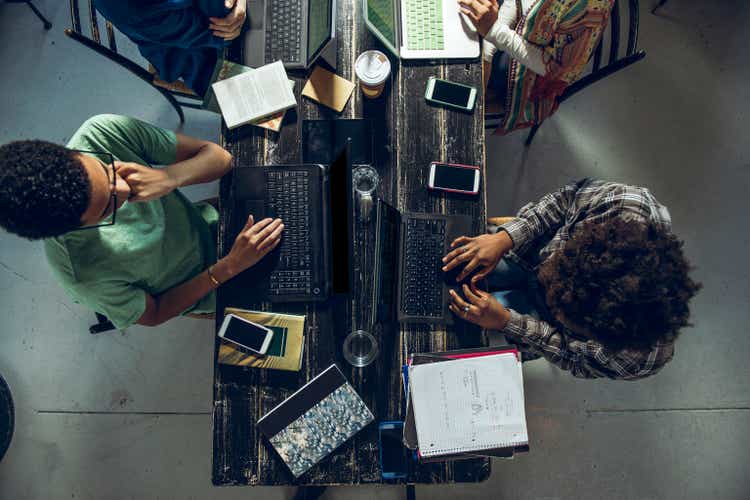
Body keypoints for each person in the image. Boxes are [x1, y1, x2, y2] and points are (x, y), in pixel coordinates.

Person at [0, 114, 283, 329]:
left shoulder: (100, 133)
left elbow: (219, 158)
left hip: (213, 223)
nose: (124, 189)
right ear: (74, 229)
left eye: (106, 170)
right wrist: (228, 267)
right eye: (107, 208)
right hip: (212, 285)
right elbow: (155, 313)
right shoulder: (81, 275)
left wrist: (169, 177)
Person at [442, 179, 701, 380]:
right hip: (525, 252)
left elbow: (572, 357)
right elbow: (566, 200)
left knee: (447, 332)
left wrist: (508, 323)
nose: (549, 291)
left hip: (536, 325)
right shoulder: (625, 204)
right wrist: (505, 238)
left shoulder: (637, 358)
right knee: (445, 258)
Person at [458, 0, 615, 133]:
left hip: (534, 72)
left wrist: (494, 33)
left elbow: (557, 69)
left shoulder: (591, 8)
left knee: (461, 70)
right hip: (520, 27)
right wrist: (489, 43)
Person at [93, 0, 247, 96]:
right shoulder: (129, 9)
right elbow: (222, 29)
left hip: (221, 22)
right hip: (208, 57)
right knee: (262, 100)